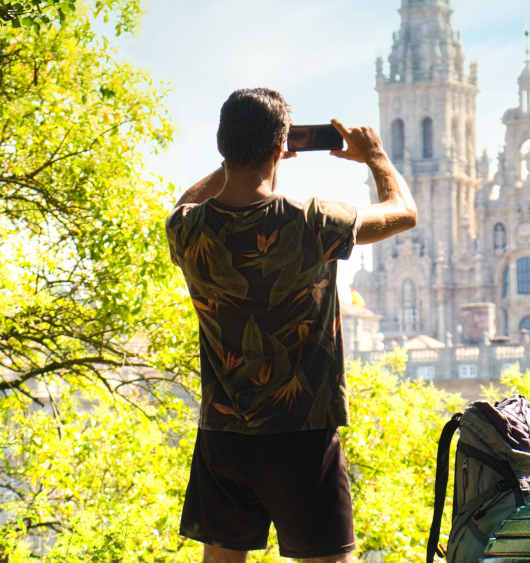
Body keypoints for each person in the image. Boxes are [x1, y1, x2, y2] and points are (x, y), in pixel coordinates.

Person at [165, 88, 416, 563]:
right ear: (281, 147)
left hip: (224, 432)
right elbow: (403, 212)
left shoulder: (188, 230)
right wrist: (376, 156)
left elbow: (184, 203)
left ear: (222, 146)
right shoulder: (311, 221)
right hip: (303, 433)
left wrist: (237, 161)